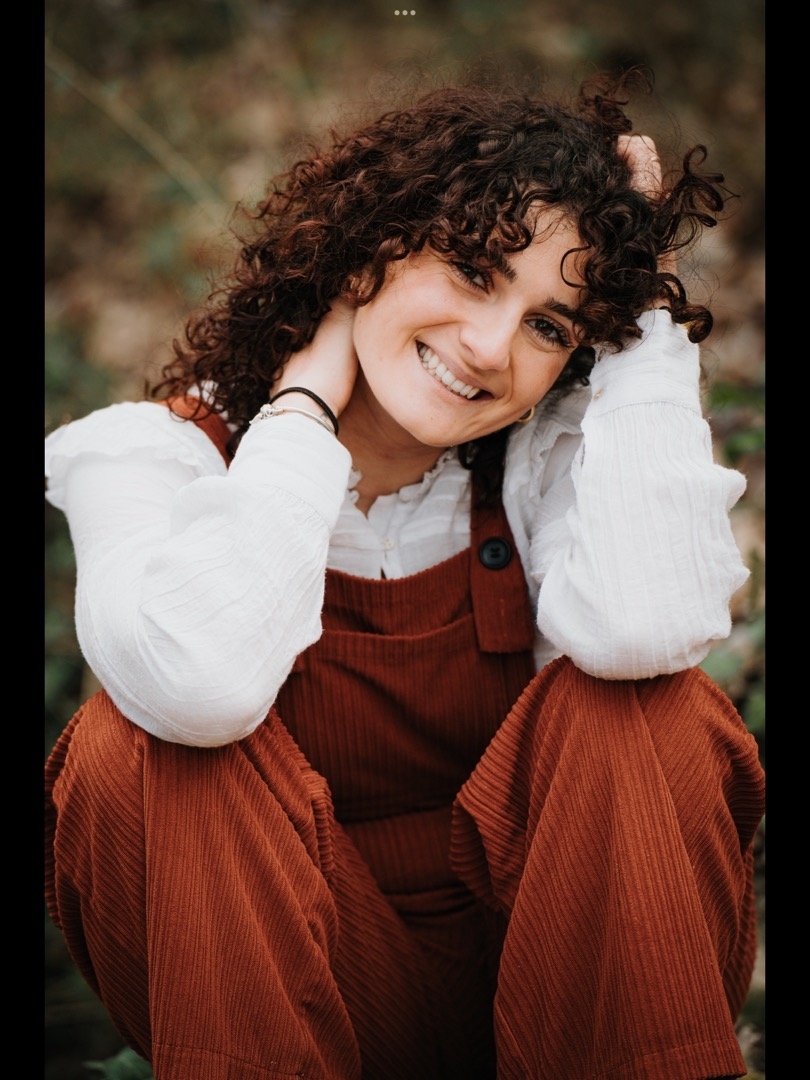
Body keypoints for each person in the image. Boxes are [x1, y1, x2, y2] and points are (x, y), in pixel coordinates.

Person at [44, 70, 765, 1080]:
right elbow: (199, 688)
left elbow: (645, 628)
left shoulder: (545, 466)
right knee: (138, 744)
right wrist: (303, 410)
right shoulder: (152, 457)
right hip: (292, 992)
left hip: (558, 988)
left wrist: (644, 316)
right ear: (370, 247)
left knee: (647, 704)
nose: (490, 348)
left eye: (551, 325)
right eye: (474, 271)